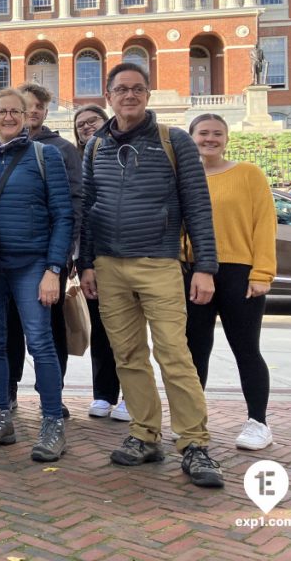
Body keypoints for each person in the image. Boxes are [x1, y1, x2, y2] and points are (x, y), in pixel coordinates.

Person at [79, 62, 224, 488]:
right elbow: (87, 208)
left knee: (174, 355)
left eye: (138, 88)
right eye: (121, 89)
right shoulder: (95, 146)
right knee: (127, 355)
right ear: (108, 96)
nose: (130, 95)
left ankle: (194, 443)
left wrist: (205, 268)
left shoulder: (174, 141)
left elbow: (198, 206)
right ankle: (144, 434)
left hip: (159, 262)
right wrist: (86, 263)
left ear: (147, 95)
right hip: (109, 265)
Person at [0, 88, 73, 462]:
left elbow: (63, 215)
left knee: (40, 342)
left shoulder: (45, 155)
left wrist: (54, 269)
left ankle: (52, 423)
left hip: (31, 265)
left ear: (25, 116)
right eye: (1, 111)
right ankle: (0, 417)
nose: (8, 117)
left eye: (15, 112)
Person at [185, 113, 276, 450]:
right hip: (194, 272)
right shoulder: (184, 178)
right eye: (203, 133)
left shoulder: (248, 174)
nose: (210, 139)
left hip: (239, 272)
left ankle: (258, 422)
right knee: (195, 350)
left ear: (226, 139)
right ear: (191, 137)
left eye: (217, 133)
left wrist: (262, 273)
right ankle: (193, 421)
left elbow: (264, 223)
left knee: (246, 348)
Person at [3, 83, 84, 418]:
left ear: (45, 111)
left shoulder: (63, 149)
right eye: (28, 105)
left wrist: (66, 253)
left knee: (49, 328)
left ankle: (52, 393)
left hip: (49, 255)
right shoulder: (1, 147)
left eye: (39, 106)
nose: (33, 111)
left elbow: (75, 203)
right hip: (8, 255)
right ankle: (8, 391)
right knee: (8, 327)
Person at [71, 104, 129, 422]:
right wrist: (81, 262)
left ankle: (132, 396)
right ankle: (104, 394)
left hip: (129, 254)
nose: (86, 126)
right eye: (80, 124)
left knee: (130, 330)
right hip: (93, 257)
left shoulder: (123, 154)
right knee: (101, 329)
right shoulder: (79, 163)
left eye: (91, 120)